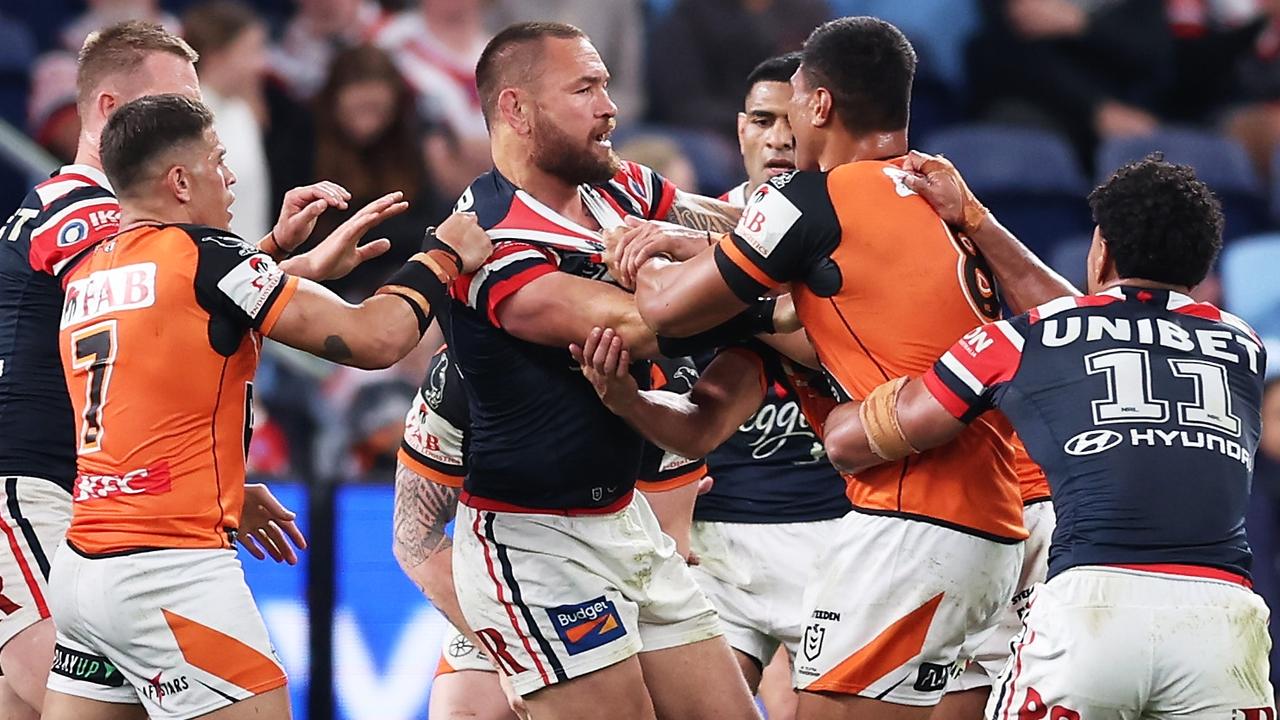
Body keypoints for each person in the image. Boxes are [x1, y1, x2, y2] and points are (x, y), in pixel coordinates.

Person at [618, 17, 1026, 719]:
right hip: (988, 514)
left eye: (793, 103)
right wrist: (693, 244)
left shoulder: (815, 200)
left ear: (820, 106)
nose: (782, 135)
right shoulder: (939, 196)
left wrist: (631, 246)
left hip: (916, 514)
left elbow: (666, 314)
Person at [43, 93, 492, 720]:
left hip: (84, 574)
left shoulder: (90, 271)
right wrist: (440, 254)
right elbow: (375, 340)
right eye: (218, 160)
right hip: (170, 573)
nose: (229, 176)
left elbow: (185, 321)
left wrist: (281, 255)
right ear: (179, 180)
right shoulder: (207, 257)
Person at [0, 22, 394, 717]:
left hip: (91, 506)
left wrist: (269, 259)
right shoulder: (89, 215)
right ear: (114, 111)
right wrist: (275, 270)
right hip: (31, 495)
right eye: (180, 101)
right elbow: (169, 303)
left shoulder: (120, 235)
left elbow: (173, 311)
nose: (199, 118)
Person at [820, 153, 1275, 718]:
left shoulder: (1024, 339)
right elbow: (1099, 326)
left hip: (1093, 610)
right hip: (1224, 622)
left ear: (1101, 248)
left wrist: (828, 403)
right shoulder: (1243, 345)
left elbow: (885, 431)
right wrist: (978, 221)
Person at [439, 20, 765, 720]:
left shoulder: (622, 186)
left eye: (607, 86)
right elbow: (642, 326)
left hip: (627, 518)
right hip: (536, 541)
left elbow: (747, 238)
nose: (609, 107)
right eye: (584, 88)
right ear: (515, 110)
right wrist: (754, 288)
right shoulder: (486, 239)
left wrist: (684, 242)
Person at [392, 345, 706, 720]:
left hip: (615, 568)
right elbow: (415, 540)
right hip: (501, 570)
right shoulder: (457, 369)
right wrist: (510, 659)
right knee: (463, 711)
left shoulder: (663, 369)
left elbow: (664, 550)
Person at [720, 53, 799, 205]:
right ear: (742, 132)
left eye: (794, 122)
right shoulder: (701, 225)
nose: (778, 141)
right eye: (762, 122)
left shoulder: (851, 222)